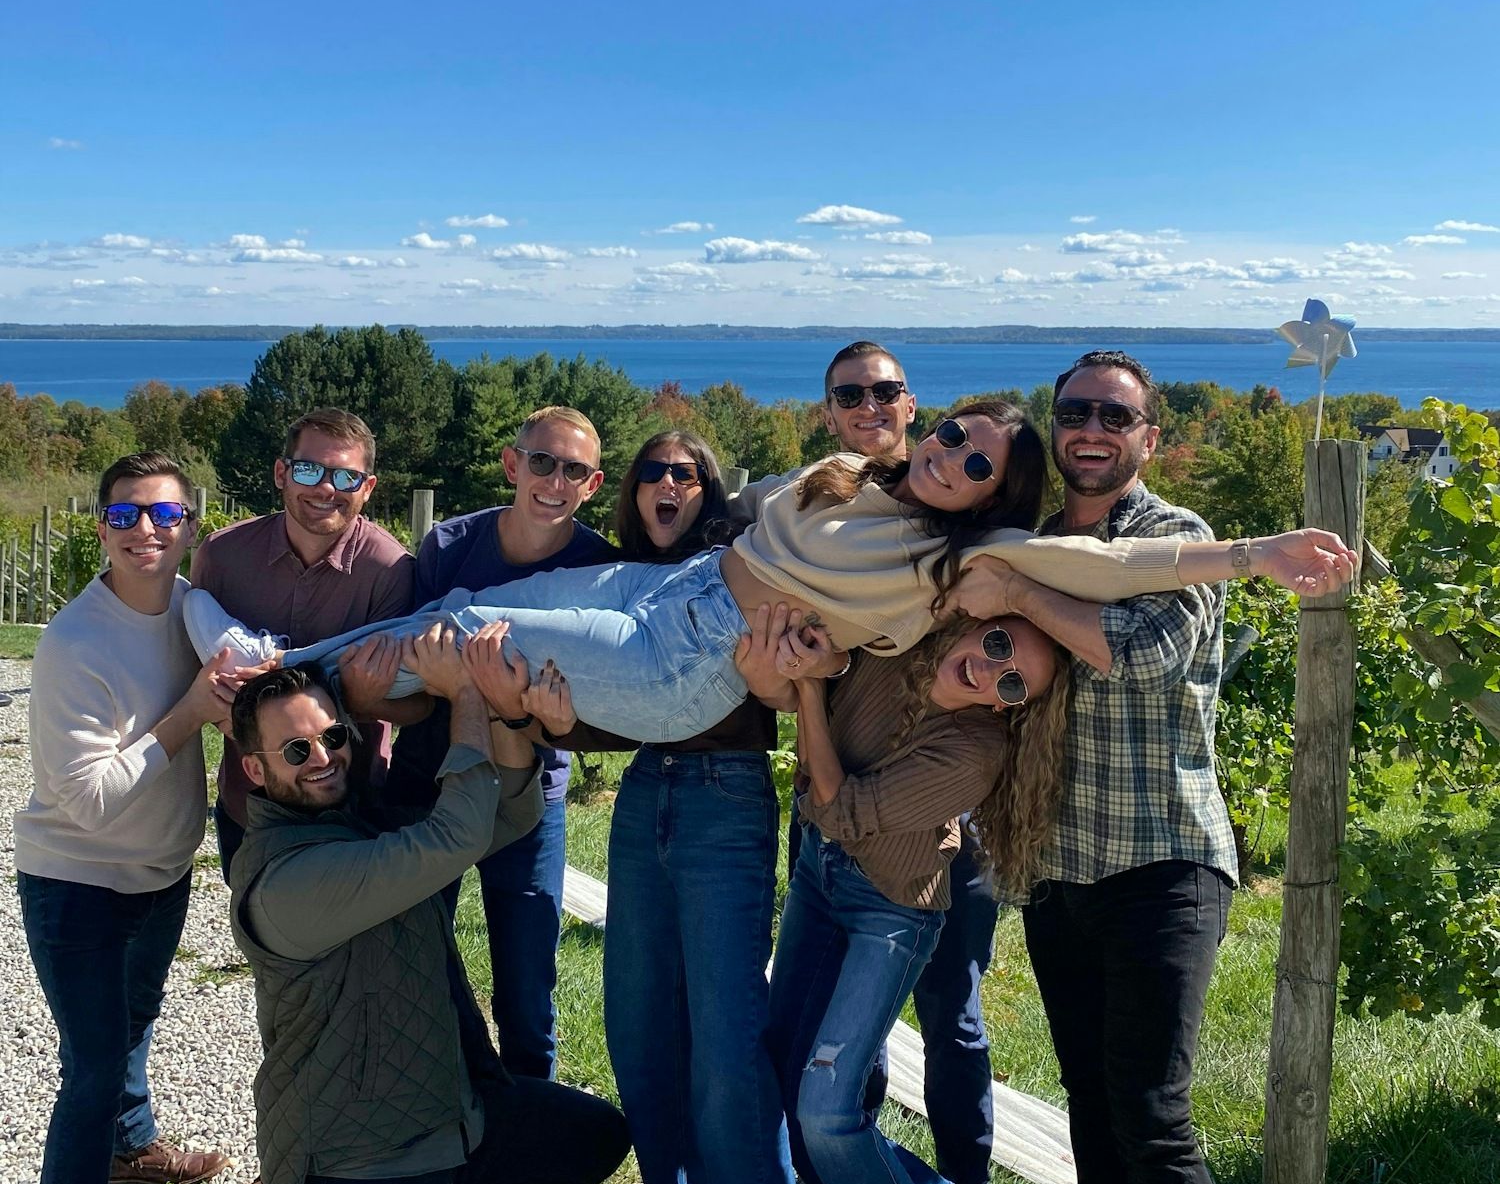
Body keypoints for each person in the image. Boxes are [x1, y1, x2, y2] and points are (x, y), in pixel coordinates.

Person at [185, 403, 1357, 746]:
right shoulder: (852, 473)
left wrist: (1256, 553)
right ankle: (282, 680)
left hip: (690, 661)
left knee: (470, 631)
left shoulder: (969, 559)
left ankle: (272, 679)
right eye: (948, 434)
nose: (948, 455)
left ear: (995, 490)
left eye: (977, 462)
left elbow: (1121, 558)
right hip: (664, 594)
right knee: (451, 609)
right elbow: (724, 513)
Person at [132, 650, 631, 1184]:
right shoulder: (287, 878)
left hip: (444, 1125)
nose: (323, 756)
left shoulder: (358, 818)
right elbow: (459, 830)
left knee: (593, 1135)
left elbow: (510, 815)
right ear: (255, 772)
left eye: (333, 735)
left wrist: (507, 716)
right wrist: (468, 690)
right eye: (297, 750)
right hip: (350, 1177)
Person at [952, 351, 1247, 1184]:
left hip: (1165, 858)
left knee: (1155, 1115)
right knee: (1087, 1086)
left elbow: (1144, 654)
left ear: (1147, 435)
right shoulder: (1026, 520)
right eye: (1073, 410)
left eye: (1112, 415)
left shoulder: (1181, 536)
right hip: (1062, 861)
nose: (1089, 428)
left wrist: (1023, 588)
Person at [493, 432, 813, 1184]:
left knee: (725, 1043)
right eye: (651, 474)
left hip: (726, 800)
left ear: (708, 489)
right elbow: (612, 717)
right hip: (648, 799)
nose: (667, 485)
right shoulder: (619, 580)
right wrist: (553, 721)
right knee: (635, 1022)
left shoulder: (740, 560)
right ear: (628, 493)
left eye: (685, 474)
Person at [766, 611, 1071, 1184]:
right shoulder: (896, 641)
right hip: (819, 875)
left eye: (1011, 683)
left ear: (1011, 709)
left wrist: (808, 692)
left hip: (892, 910)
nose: (988, 669)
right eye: (996, 642)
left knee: (830, 1109)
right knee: (789, 1081)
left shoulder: (976, 749)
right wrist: (816, 672)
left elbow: (845, 807)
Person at [375, 405, 617, 1184]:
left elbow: (591, 701)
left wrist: (506, 703)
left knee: (526, 978)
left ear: (593, 485)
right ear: (512, 464)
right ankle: (415, 1154)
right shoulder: (447, 547)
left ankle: (531, 1177)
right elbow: (403, 668)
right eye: (542, 463)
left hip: (526, 794)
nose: (555, 483)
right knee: (411, 967)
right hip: (428, 787)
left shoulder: (597, 562)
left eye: (575, 473)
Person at [15, 452, 234, 1184]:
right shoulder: (73, 643)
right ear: (100, 526)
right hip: (78, 883)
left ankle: (129, 1148)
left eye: (167, 513)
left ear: (191, 523)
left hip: (162, 874)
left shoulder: (191, 606)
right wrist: (192, 711)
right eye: (128, 514)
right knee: (91, 1067)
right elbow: (96, 800)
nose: (148, 530)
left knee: (137, 1026)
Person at [191, 404, 414, 1184]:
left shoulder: (390, 569)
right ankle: (286, 1159)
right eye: (312, 470)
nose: (327, 489)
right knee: (285, 994)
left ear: (368, 486)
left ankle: (391, 1153)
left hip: (355, 807)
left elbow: (400, 691)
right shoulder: (223, 556)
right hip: (252, 809)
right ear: (282, 472)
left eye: (346, 475)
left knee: (383, 986)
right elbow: (194, 663)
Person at [815, 339, 1012, 1184]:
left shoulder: (987, 549)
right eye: (852, 393)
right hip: (843, 808)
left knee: (952, 1013)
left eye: (885, 391)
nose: (871, 405)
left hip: (949, 824)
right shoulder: (853, 508)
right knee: (858, 1026)